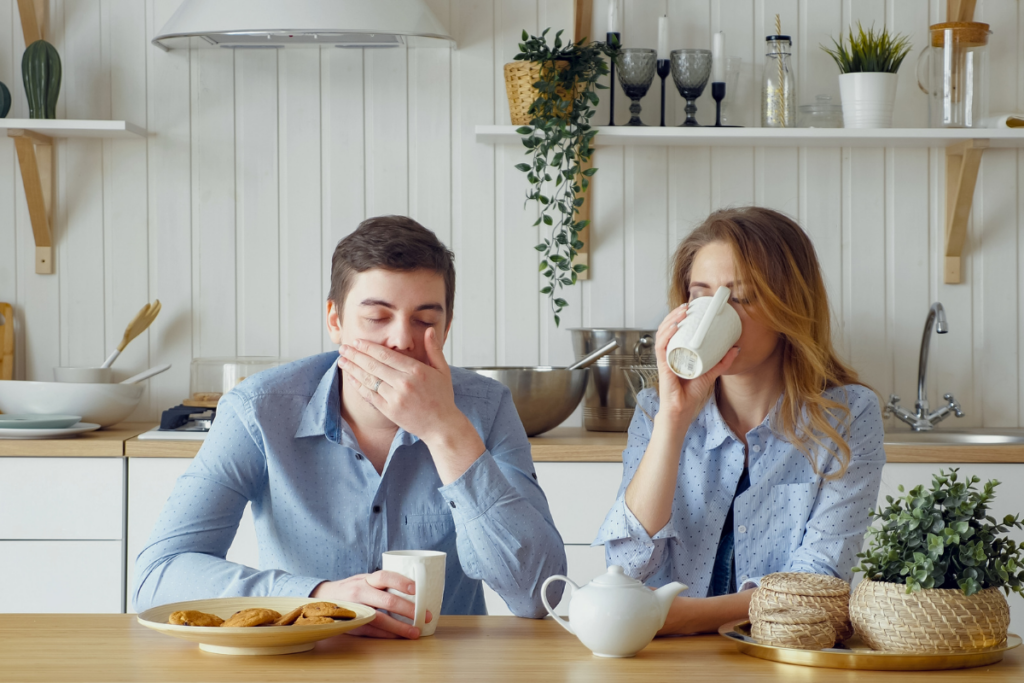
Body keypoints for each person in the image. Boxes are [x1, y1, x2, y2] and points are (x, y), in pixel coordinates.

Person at [134, 216, 566, 638]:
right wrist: (316, 596)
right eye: (378, 317)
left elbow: (535, 595)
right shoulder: (258, 410)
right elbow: (159, 575)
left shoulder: (486, 408)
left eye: (425, 320)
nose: (401, 340)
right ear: (335, 321)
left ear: (447, 326)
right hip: (303, 661)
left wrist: (444, 431)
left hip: (443, 665)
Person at [594, 207, 885, 635]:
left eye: (742, 297)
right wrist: (673, 420)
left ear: (791, 305)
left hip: (781, 654)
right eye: (701, 295)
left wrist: (676, 617)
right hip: (663, 659)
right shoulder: (657, 410)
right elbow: (626, 567)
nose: (716, 313)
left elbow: (819, 584)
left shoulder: (846, 416)